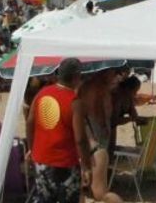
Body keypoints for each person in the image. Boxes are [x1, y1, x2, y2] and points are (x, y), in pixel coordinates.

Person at [26, 57, 89, 203]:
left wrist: (31, 149)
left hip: (41, 159)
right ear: (76, 77)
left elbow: (30, 122)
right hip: (65, 162)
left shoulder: (42, 93)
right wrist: (86, 167)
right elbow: (80, 139)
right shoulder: (75, 102)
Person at [77, 68, 122, 203]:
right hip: (96, 127)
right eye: (113, 73)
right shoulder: (97, 87)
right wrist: (103, 124)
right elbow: (96, 107)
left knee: (95, 161)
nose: (115, 76)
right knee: (99, 158)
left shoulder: (90, 86)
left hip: (92, 126)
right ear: (105, 72)